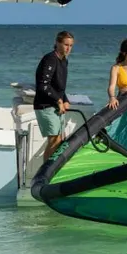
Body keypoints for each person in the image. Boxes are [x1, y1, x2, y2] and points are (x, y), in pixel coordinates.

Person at [34, 30, 74, 160]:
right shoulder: (50, 59)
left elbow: (58, 86)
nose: (68, 48)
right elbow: (43, 85)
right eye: (66, 44)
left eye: (71, 45)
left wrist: (65, 99)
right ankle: (45, 174)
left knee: (59, 140)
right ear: (57, 43)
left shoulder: (64, 60)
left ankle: (51, 171)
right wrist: (58, 100)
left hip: (56, 105)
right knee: (54, 140)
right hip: (45, 105)